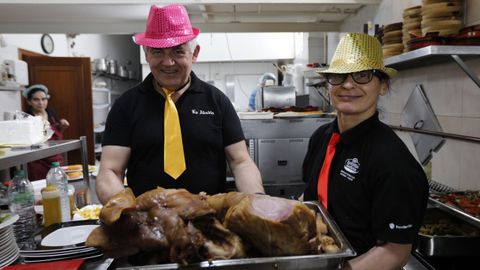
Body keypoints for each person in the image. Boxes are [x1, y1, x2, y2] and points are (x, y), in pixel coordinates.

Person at [96, 4, 264, 204]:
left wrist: (258, 201)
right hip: (148, 225)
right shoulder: (126, 106)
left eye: (178, 51)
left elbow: (241, 161)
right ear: (146, 54)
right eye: (158, 52)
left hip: (207, 221)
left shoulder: (217, 101)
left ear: (194, 53)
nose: (168, 62)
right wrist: (129, 213)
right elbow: (110, 170)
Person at [300, 33, 428, 270]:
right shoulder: (321, 138)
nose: (348, 84)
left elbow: (395, 251)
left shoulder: (392, 161)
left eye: (362, 75)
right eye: (339, 76)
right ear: (328, 85)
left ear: (383, 86)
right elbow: (310, 200)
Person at [23, 84, 70, 180]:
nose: (41, 102)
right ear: (29, 101)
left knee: (58, 182)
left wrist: (62, 127)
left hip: (55, 157)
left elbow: (56, 134)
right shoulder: (27, 118)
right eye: (36, 99)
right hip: (37, 160)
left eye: (44, 99)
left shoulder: (51, 114)